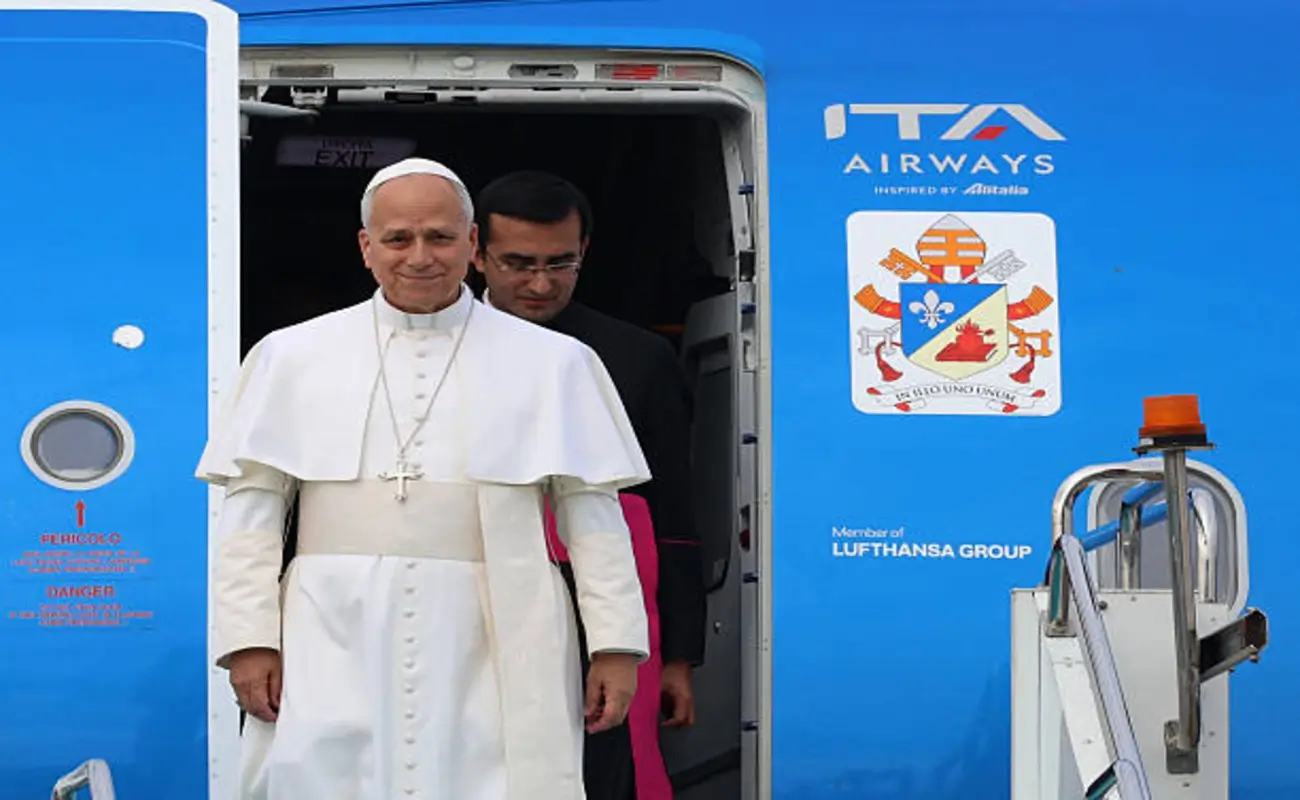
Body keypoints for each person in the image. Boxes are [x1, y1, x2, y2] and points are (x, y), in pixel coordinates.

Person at [197, 157, 652, 800]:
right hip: (330, 626)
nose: (420, 256)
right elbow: (251, 515)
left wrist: (615, 646)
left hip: (499, 626)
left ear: (471, 246)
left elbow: (594, 516)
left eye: (440, 237)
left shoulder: (557, 362)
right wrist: (248, 641)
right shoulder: (290, 355)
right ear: (366, 247)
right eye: (398, 239)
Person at [471, 170, 707, 800]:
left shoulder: (637, 358)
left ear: (586, 253)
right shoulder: (435, 350)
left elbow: (672, 514)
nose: (540, 284)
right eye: (518, 263)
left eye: (560, 263)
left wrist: (677, 656)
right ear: (476, 252)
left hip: (601, 607)